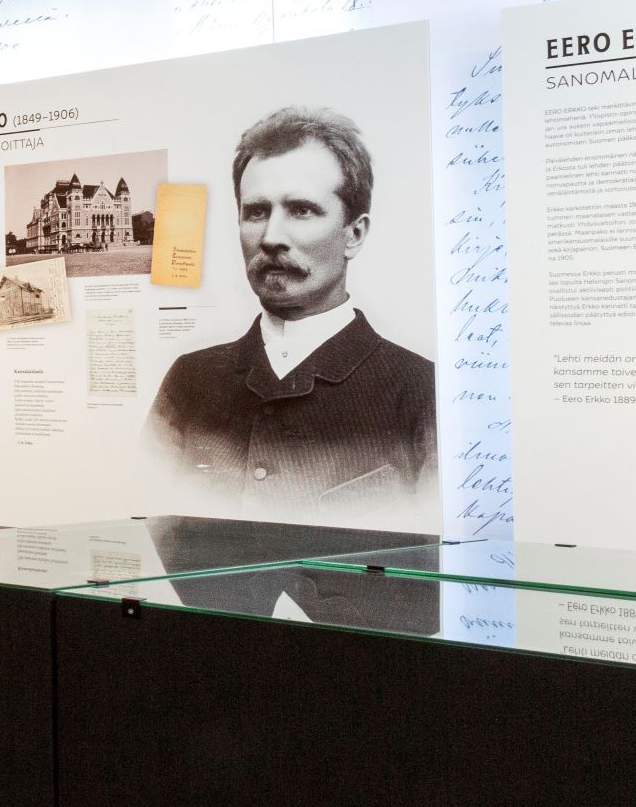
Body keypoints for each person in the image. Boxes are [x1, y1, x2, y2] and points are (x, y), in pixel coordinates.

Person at [147, 107, 435, 517]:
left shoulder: (422, 392)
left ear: (354, 235)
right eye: (256, 212)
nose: (270, 237)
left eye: (301, 210)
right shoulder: (190, 380)